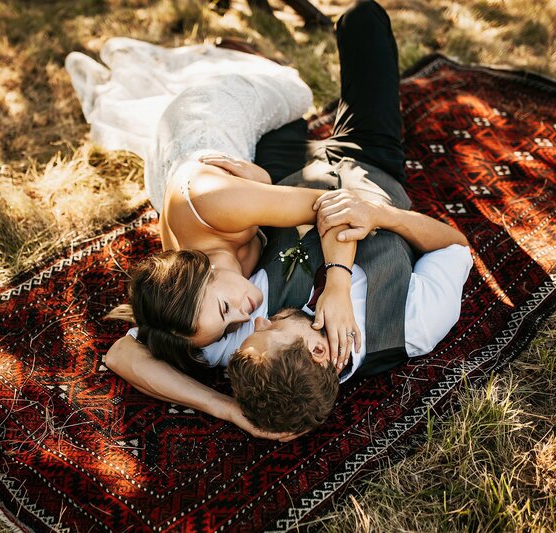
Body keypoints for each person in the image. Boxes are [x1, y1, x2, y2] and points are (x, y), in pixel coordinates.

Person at [105, 0, 473, 440]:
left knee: (276, 110)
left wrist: (228, 410)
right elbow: (455, 245)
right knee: (362, 18)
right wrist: (384, 215)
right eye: (265, 329)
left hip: (282, 184)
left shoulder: (241, 331)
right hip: (367, 165)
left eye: (248, 331)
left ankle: (255, 66)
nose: (255, 321)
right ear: (321, 352)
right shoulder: (414, 325)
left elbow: (123, 355)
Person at [66, 30, 362, 377]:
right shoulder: (182, 314)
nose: (244, 316)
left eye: (225, 309)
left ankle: (241, 55)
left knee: (298, 93)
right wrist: (226, 409)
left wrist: (339, 287)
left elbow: (336, 204)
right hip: (184, 175)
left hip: (206, 121)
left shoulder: (217, 203)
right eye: (228, 326)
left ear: (203, 273)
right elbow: (119, 357)